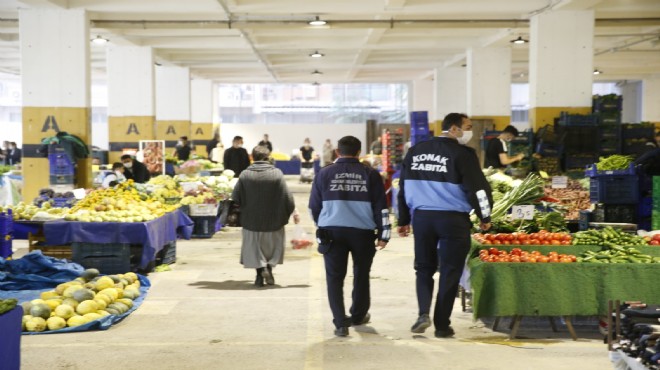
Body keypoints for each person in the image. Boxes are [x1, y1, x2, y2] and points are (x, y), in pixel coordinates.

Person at [397, 113, 493, 338]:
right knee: (450, 271)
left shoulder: (415, 151)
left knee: (423, 268)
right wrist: (485, 216)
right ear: (454, 129)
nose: (469, 131)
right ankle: (441, 325)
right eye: (467, 127)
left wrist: (403, 219)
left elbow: (403, 187)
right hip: (452, 220)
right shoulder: (463, 154)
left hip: (422, 218)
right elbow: (478, 190)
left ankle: (423, 313)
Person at [309, 136, 391, 337]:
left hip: (332, 233)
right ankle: (358, 315)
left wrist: (323, 225)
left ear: (337, 151)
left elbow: (313, 207)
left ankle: (340, 323)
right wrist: (384, 235)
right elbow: (381, 207)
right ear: (359, 152)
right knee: (362, 275)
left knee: (334, 278)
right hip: (362, 234)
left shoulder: (324, 173)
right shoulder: (370, 175)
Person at [232, 145, 299, 287]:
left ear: (252, 157)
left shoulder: (245, 174)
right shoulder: (277, 174)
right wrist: (290, 212)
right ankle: (268, 269)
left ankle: (259, 275)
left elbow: (235, 197)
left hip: (251, 221)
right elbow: (287, 197)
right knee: (271, 249)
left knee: (255, 249)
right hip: (274, 221)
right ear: (268, 157)